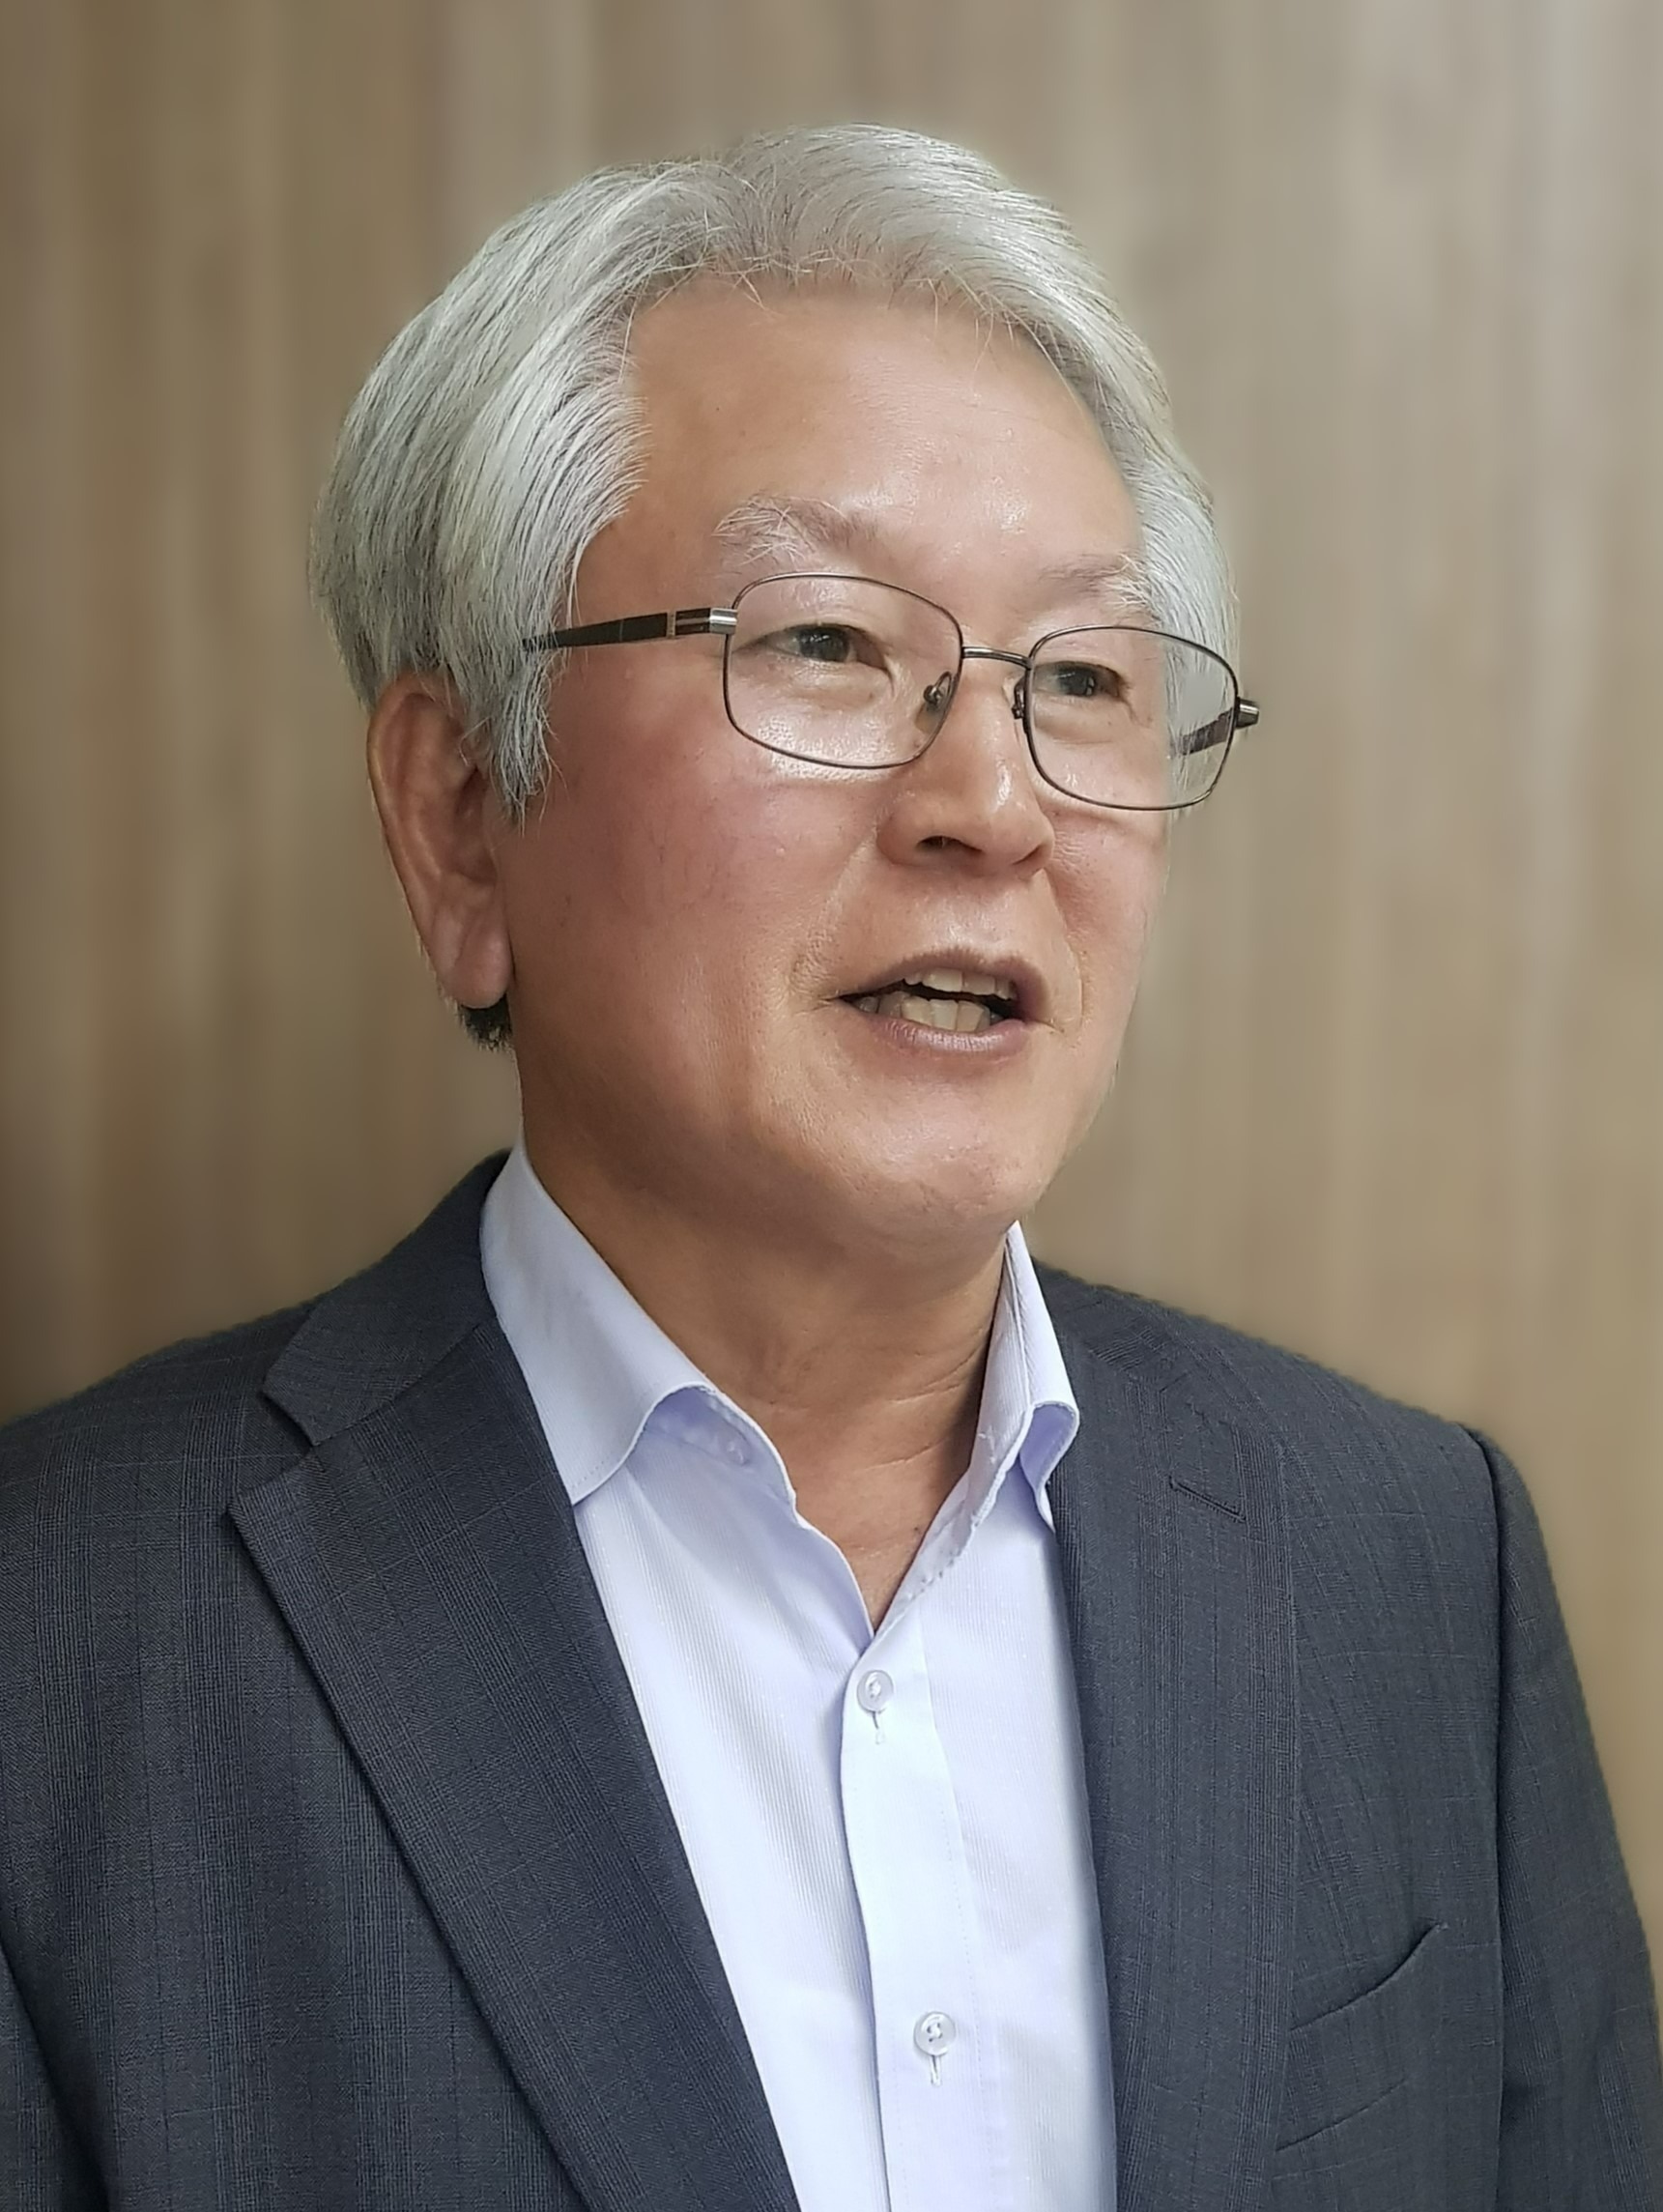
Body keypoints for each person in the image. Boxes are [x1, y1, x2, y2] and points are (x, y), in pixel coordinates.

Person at [0, 125, 1657, 2212]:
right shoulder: (61, 1647)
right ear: (459, 815)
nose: (993, 803)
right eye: (824, 647)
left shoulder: (1412, 1561)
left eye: (1081, 678)